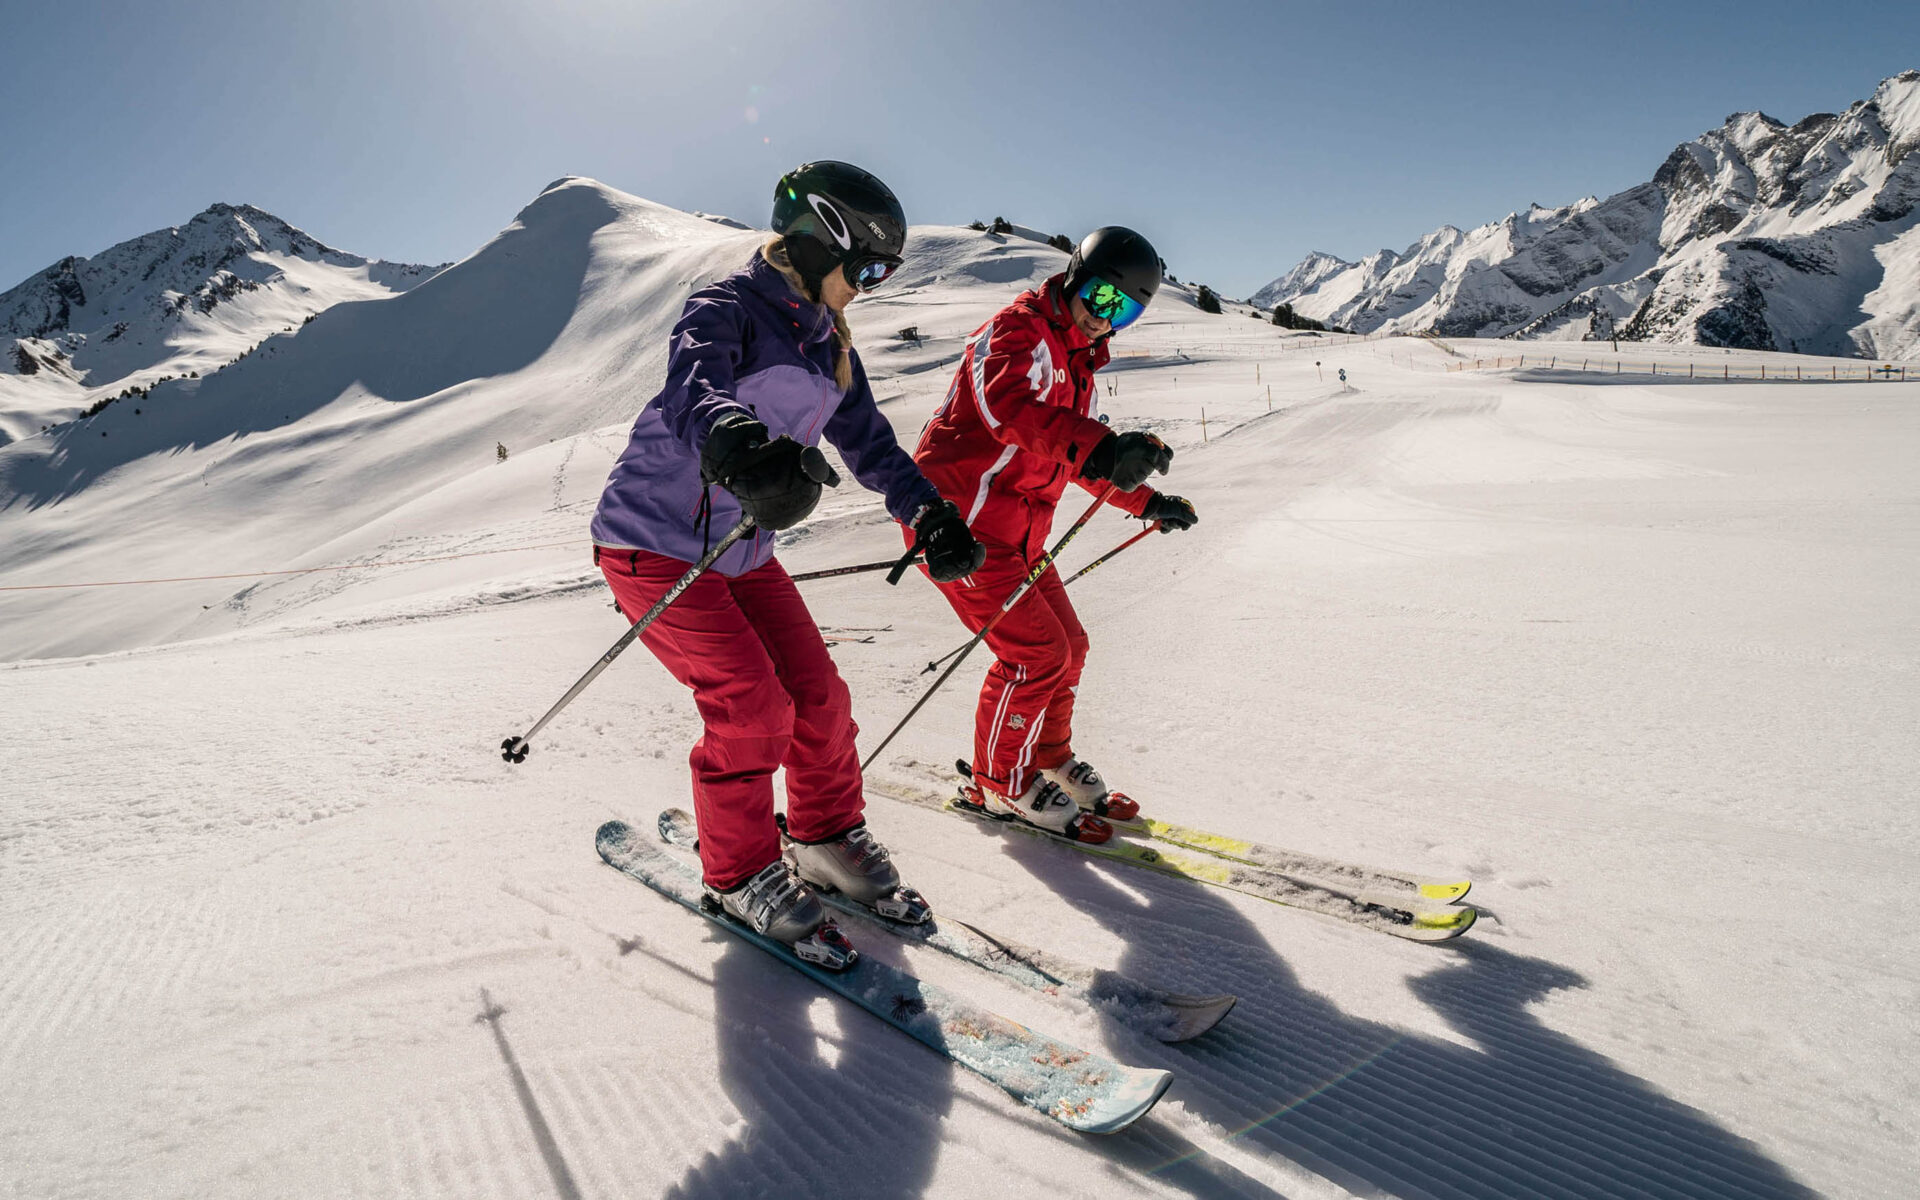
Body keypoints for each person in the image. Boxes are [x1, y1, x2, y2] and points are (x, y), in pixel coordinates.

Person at [591, 161, 985, 967]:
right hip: (652, 542)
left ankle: (823, 836)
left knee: (820, 698)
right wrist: (738, 444)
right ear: (819, 243)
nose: (871, 287)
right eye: (869, 267)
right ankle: (735, 872)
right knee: (751, 707)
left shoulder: (831, 341)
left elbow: (870, 443)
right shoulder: (726, 309)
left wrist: (929, 512)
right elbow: (694, 388)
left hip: (742, 549)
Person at [908, 226, 1197, 844]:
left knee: (1071, 646)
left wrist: (1148, 500)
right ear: (1073, 276)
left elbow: (1074, 454)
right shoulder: (1019, 331)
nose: (1105, 317)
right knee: (1033, 656)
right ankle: (996, 781)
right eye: (1101, 296)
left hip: (1021, 537)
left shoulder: (1077, 360)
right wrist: (1100, 446)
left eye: (1126, 309)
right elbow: (1006, 411)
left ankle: (1046, 757)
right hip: (962, 529)